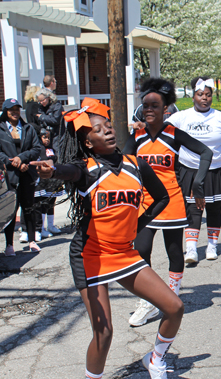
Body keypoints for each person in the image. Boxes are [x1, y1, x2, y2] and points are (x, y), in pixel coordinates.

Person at [31, 97, 183, 379]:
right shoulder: (86, 170)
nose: (108, 131)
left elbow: (161, 198)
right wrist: (52, 170)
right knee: (104, 332)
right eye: (99, 130)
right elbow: (67, 171)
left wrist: (137, 226)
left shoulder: (135, 165)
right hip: (91, 255)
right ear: (88, 143)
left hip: (123, 252)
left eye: (109, 126)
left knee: (174, 307)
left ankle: (156, 359)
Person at [123, 78, 213, 326]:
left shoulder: (174, 134)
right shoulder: (137, 136)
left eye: (154, 105)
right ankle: (148, 301)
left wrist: (197, 184)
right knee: (140, 252)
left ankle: (171, 297)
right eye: (145, 105)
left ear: (166, 109)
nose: (149, 110)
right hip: (144, 203)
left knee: (174, 252)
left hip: (171, 201)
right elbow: (122, 165)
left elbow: (206, 152)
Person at [168, 77, 221, 263]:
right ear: (193, 96)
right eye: (200, 94)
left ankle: (212, 246)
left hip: (216, 170)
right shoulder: (181, 117)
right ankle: (191, 250)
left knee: (213, 210)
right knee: (193, 210)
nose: (204, 98)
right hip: (190, 170)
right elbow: (162, 131)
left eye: (208, 95)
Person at [0, 99, 42, 256]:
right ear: (5, 112)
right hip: (9, 175)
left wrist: (23, 159)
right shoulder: (1, 129)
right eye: (11, 110)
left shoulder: (28, 128)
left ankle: (32, 241)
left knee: (29, 207)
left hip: (27, 173)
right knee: (10, 210)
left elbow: (36, 148)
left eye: (17, 109)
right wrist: (13, 162)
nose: (15, 112)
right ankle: (9, 246)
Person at [33, 128, 63, 239]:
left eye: (48, 137)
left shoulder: (50, 149)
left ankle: (50, 225)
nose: (47, 140)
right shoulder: (38, 149)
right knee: (42, 204)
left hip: (52, 181)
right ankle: (40, 228)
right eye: (44, 137)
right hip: (42, 181)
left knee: (51, 202)